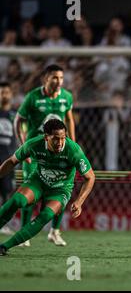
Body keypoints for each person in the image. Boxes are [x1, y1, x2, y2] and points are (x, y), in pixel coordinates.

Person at [0, 119, 95, 256]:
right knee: (17, 201)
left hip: (60, 189)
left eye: (63, 138)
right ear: (46, 137)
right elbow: (12, 161)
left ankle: (4, 247)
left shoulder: (73, 150)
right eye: (56, 138)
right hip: (38, 181)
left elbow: (90, 177)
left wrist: (79, 202)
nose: (60, 142)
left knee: (46, 215)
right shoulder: (34, 144)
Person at [15, 64, 76, 247]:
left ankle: (54, 232)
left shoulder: (66, 97)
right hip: (35, 153)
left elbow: (69, 119)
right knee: (30, 192)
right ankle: (25, 233)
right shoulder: (33, 97)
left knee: (61, 189)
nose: (58, 82)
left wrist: (73, 144)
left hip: (59, 154)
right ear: (45, 79)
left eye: (61, 78)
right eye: (54, 78)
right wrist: (23, 146)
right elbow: (19, 121)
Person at [0, 82, 16, 235]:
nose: (3, 95)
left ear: (11, 94)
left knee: (7, 192)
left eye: (6, 92)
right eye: (1, 92)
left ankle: (2, 224)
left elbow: (20, 135)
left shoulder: (15, 115)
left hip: (8, 159)